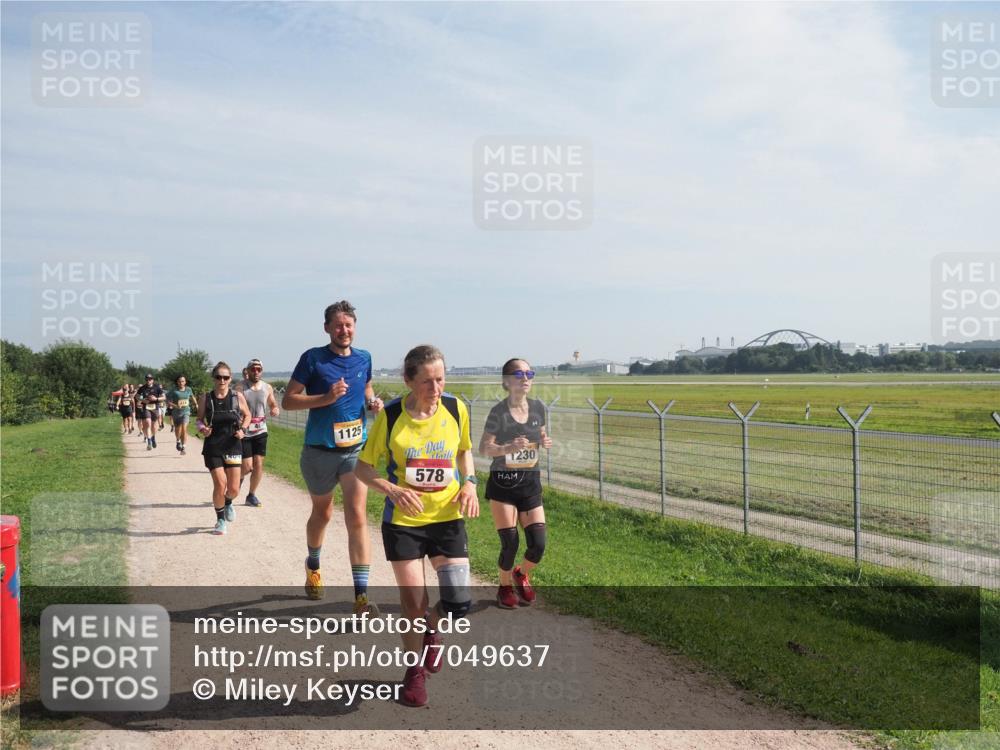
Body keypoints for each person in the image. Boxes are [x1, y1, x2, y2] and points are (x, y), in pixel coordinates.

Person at [355, 344, 478, 708]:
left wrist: (470, 483)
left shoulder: (455, 408)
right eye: (427, 381)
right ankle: (414, 672)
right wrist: (392, 490)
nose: (436, 388)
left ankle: (431, 631)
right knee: (413, 603)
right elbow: (363, 468)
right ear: (408, 381)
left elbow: (464, 451)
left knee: (458, 602)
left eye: (440, 379)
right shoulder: (391, 416)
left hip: (447, 518)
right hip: (404, 523)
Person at [282, 300, 384, 614]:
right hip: (319, 451)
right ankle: (313, 564)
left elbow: (366, 387)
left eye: (348, 325)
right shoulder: (313, 359)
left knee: (357, 516)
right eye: (338, 325)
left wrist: (372, 402)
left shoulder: (364, 357)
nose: (344, 330)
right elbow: (288, 401)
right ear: (327, 328)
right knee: (323, 514)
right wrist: (326, 398)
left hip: (354, 450)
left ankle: (361, 597)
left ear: (355, 327)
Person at [479, 359, 552, 608]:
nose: (526, 378)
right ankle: (504, 586)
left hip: (530, 485)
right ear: (507, 381)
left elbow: (540, 433)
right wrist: (507, 448)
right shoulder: (498, 413)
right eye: (519, 374)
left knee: (538, 545)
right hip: (503, 486)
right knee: (510, 544)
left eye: (529, 373)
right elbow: (484, 448)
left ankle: (520, 574)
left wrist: (544, 440)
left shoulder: (538, 408)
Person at [196, 362, 251, 535]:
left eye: (225, 377)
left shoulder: (237, 397)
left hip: (233, 445)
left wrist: (243, 430)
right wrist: (203, 429)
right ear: (213, 378)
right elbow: (199, 420)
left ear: (230, 379)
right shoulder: (206, 398)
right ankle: (220, 520)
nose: (222, 380)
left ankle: (228, 502)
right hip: (213, 446)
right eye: (218, 377)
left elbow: (248, 415)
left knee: (233, 489)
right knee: (220, 484)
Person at [236, 358, 280, 507]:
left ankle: (251, 495)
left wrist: (275, 408)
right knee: (247, 467)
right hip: (245, 430)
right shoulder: (240, 387)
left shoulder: (267, 387)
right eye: (253, 369)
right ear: (248, 371)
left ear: (262, 371)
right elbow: (235, 406)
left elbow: (272, 403)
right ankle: (237, 480)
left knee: (259, 464)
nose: (256, 372)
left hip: (261, 430)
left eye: (258, 369)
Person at [166, 375, 196, 455]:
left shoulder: (188, 389)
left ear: (185, 382)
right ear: (177, 382)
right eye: (179, 381)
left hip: (186, 411)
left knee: (184, 428)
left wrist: (196, 404)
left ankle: (183, 447)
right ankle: (178, 440)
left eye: (183, 381)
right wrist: (175, 405)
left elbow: (192, 396)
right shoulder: (173, 390)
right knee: (177, 429)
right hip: (176, 412)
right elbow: (167, 401)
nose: (181, 383)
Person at [136, 374, 165, 450]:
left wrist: (156, 399)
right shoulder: (142, 388)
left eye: (150, 379)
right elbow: (137, 396)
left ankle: (153, 437)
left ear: (152, 380)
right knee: (148, 422)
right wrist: (143, 400)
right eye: (147, 379)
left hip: (155, 407)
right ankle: (149, 442)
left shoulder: (157, 387)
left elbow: (164, 397)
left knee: (154, 426)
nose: (148, 381)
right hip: (146, 407)